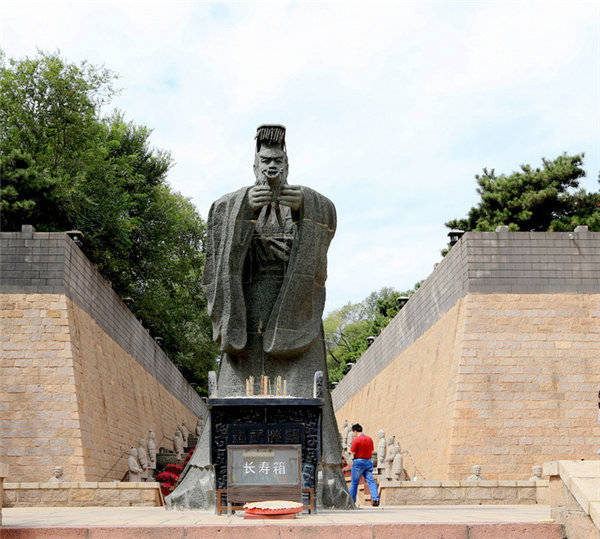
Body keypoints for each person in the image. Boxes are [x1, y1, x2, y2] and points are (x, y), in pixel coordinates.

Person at [349, 423, 380, 506]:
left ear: (355, 431)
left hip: (358, 462)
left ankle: (351, 501)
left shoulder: (356, 440)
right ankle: (376, 499)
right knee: (371, 481)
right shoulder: (369, 439)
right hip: (368, 462)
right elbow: (372, 451)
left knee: (354, 483)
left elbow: (353, 452)